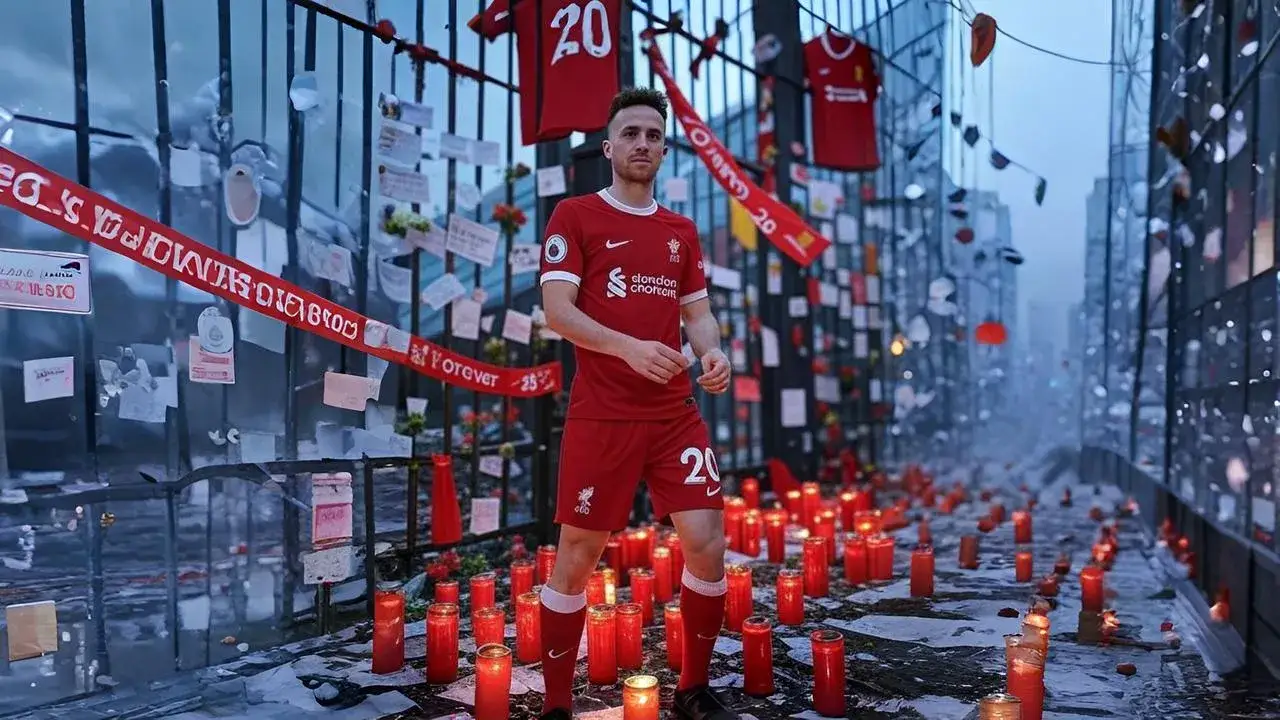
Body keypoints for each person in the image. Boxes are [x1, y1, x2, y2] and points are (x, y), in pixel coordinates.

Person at [536, 87, 737, 720]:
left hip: (675, 414)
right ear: (609, 147)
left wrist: (713, 354)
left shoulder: (681, 230)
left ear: (664, 148)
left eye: (653, 134)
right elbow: (558, 312)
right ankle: (558, 703)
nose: (642, 144)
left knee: (707, 540)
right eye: (631, 133)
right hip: (603, 415)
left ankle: (693, 690)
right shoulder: (574, 215)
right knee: (577, 555)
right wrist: (628, 347)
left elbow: (697, 314)